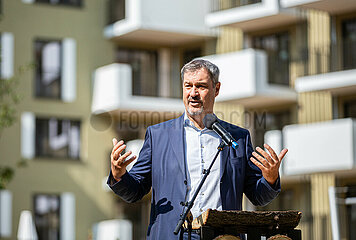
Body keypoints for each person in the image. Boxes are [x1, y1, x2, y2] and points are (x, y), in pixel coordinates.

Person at [107, 59, 288, 240]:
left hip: (222, 236)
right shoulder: (158, 135)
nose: (193, 93)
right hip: (172, 235)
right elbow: (135, 191)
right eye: (188, 86)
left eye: (201, 86)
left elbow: (258, 196)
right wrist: (118, 175)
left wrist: (270, 179)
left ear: (216, 89)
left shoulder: (238, 137)